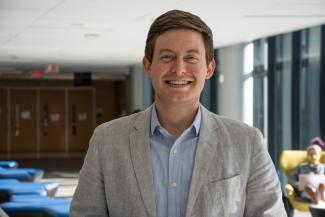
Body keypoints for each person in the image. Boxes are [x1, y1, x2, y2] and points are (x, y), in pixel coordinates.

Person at [70, 10, 287, 217]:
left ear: (209, 69)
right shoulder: (107, 139)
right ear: (147, 65)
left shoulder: (247, 142)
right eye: (167, 57)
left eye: (191, 58)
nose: (179, 69)